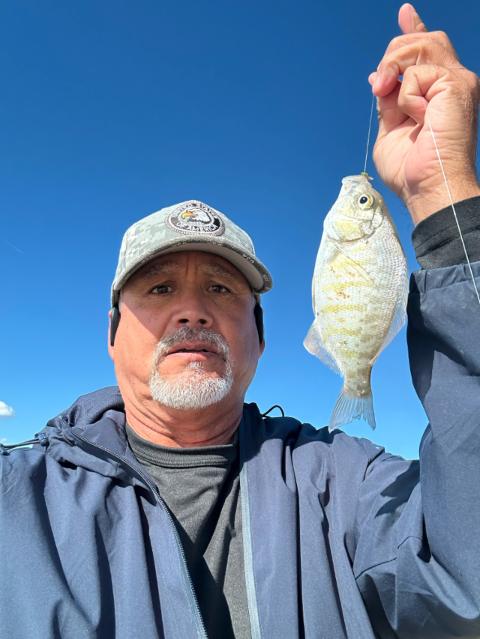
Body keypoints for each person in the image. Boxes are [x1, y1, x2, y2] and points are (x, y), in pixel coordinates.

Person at [1, 4, 480, 638]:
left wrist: (443, 197)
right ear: (112, 332)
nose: (193, 309)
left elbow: (464, 584)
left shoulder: (343, 484)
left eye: (222, 288)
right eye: (160, 287)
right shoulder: (18, 498)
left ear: (260, 336)